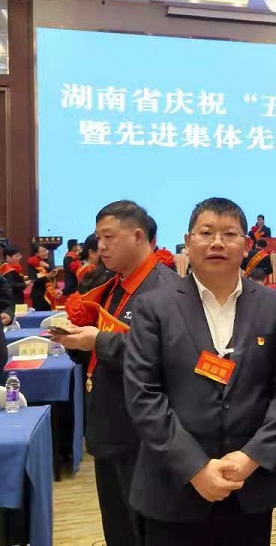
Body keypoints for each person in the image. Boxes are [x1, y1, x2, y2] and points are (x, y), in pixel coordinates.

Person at [123, 197, 276, 546]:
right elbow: (143, 394)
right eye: (206, 233)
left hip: (248, 485)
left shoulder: (275, 306)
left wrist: (252, 457)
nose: (217, 242)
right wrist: (195, 467)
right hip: (173, 486)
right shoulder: (154, 306)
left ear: (246, 246)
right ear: (188, 242)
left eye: (229, 234)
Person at [51, 200, 179, 546]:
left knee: (147, 530)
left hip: (144, 436)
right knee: (118, 527)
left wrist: (97, 341)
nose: (101, 246)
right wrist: (76, 341)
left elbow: (166, 355)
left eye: (109, 237)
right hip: (110, 426)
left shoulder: (168, 289)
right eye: (98, 238)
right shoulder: (112, 285)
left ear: (138, 236)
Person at [27, 244, 60, 311]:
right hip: (39, 295)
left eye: (46, 250)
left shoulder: (48, 262)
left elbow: (54, 273)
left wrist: (49, 268)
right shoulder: (33, 264)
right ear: (36, 254)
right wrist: (47, 277)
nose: (46, 253)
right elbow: (34, 280)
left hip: (50, 293)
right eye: (43, 251)